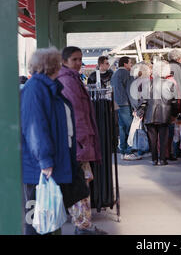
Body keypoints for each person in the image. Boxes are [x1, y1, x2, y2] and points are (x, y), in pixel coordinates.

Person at [21, 47, 74, 235]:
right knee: (36, 219)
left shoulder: (46, 88)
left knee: (45, 218)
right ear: (52, 65)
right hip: (38, 166)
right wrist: (44, 160)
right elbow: (35, 128)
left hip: (44, 163)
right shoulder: (36, 89)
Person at [58, 46, 107, 235]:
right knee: (81, 184)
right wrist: (83, 141)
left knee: (82, 182)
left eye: (80, 59)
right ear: (64, 61)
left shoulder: (71, 79)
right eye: (74, 60)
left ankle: (84, 224)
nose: (78, 63)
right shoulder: (68, 81)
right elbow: (76, 115)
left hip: (79, 141)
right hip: (78, 142)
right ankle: (83, 226)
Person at [138, 60, 177, 166]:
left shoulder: (147, 84)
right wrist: (175, 114)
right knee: (163, 139)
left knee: (152, 139)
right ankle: (162, 159)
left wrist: (140, 113)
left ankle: (154, 159)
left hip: (150, 114)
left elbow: (143, 101)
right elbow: (173, 101)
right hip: (165, 114)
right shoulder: (170, 84)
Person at [111, 56, 142, 161]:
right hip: (125, 104)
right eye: (130, 63)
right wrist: (135, 106)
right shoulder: (127, 74)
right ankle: (129, 151)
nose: (131, 65)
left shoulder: (115, 74)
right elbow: (130, 91)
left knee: (122, 128)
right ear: (125, 64)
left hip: (117, 104)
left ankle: (123, 150)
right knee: (130, 128)